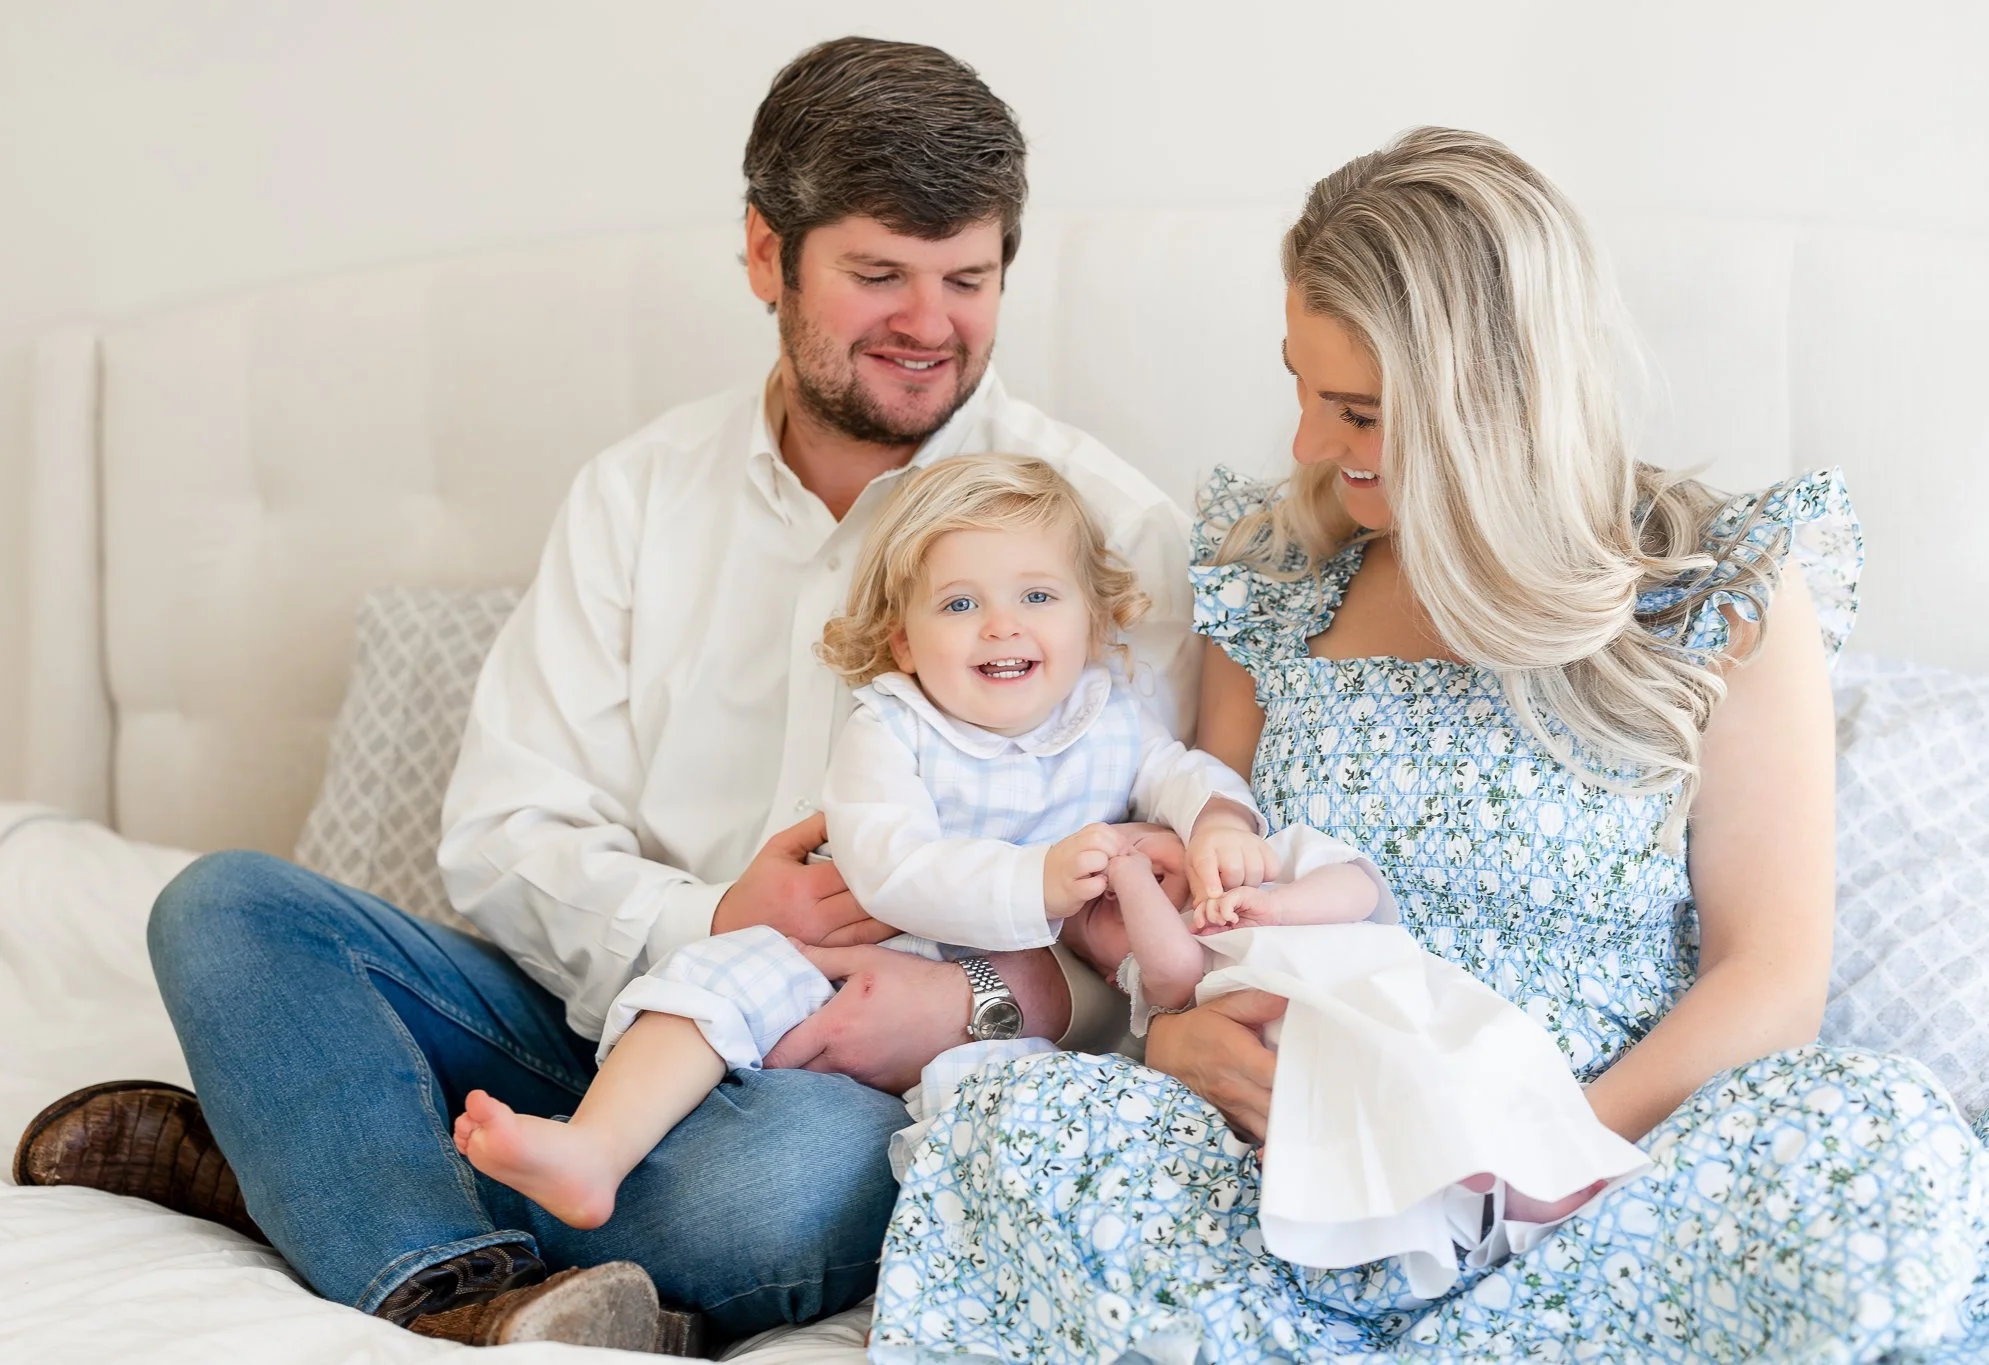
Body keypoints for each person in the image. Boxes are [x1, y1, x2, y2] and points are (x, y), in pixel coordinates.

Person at [12, 37, 1197, 1353]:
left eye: (967, 279)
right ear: (767, 255)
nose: (930, 323)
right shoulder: (637, 496)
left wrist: (975, 998)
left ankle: (312, 1175)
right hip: (583, 1024)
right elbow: (504, 836)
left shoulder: (1107, 539)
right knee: (227, 910)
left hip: (835, 1080)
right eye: (878, 275)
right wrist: (716, 917)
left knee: (788, 1192)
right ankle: (442, 1249)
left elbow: (1152, 939)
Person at [866, 128, 1989, 1361]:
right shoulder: (1276, 578)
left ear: (1493, 403)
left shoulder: (1715, 589)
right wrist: (1179, 1042)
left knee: (1867, 1148)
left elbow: (1768, 979)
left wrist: (1519, 1161)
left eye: (1358, 411)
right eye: (1302, 387)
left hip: (1615, 1163)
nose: (1308, 446)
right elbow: (1200, 916)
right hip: (1315, 1171)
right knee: (1009, 1131)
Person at [449, 453, 1265, 1231]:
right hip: (857, 959)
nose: (1001, 626)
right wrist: (1035, 881)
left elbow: (1182, 774)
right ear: (903, 641)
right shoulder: (893, 728)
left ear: (1092, 617)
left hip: (1010, 1023)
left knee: (1016, 1128)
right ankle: (596, 1148)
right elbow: (891, 868)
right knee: (713, 981)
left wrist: (1219, 820)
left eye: (1039, 596)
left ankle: (949, 1257)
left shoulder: (1107, 720)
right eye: (959, 604)